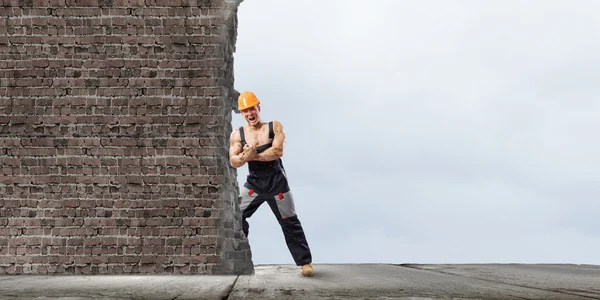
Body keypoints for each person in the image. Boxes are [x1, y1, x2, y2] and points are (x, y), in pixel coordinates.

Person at [229, 91, 314, 277]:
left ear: (258, 107)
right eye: (245, 111)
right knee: (235, 215)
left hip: (277, 184)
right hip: (254, 184)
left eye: (252, 109)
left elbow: (277, 151)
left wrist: (253, 155)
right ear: (242, 114)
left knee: (290, 222)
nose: (250, 113)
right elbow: (234, 160)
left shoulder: (273, 127)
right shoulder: (238, 134)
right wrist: (244, 156)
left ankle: (305, 262)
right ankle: (239, 256)